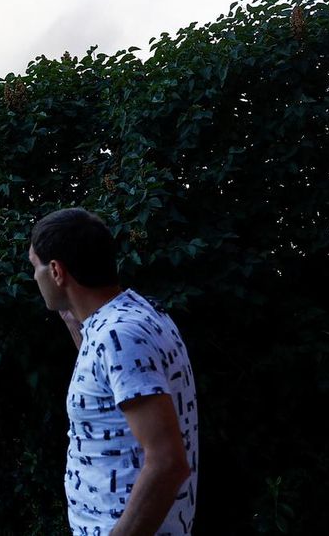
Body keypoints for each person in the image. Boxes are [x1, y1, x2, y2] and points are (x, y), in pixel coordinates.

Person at [28, 208, 198, 536]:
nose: (34, 278)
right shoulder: (134, 318)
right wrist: (72, 316)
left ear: (56, 271)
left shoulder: (121, 336)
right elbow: (108, 382)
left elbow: (167, 463)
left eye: (35, 267)